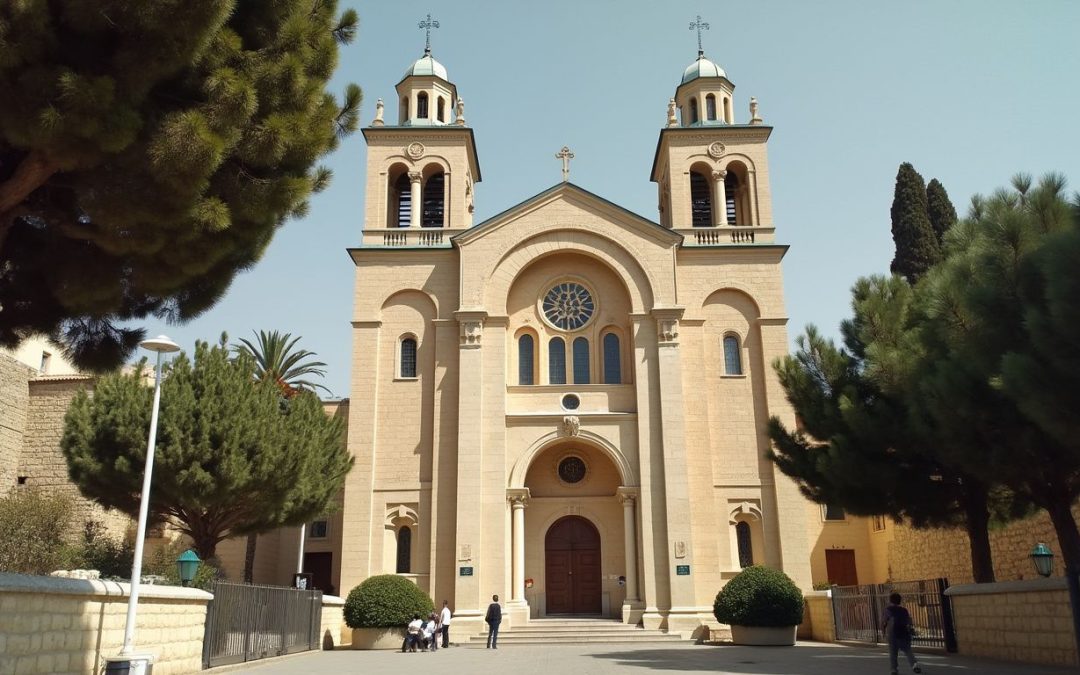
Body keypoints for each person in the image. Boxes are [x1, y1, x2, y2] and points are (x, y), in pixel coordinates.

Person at [881, 592, 921, 674]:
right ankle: (914, 665)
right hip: (904, 633)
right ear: (900, 600)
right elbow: (909, 621)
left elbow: (884, 622)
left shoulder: (888, 610)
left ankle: (894, 669)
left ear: (890, 600)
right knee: (908, 651)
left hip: (893, 634)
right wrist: (911, 629)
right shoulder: (904, 610)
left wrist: (883, 632)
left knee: (893, 653)